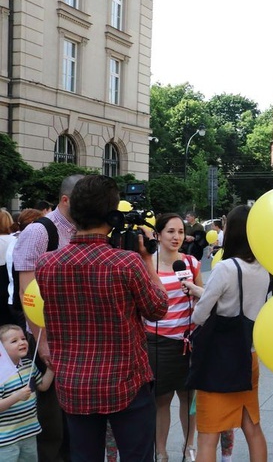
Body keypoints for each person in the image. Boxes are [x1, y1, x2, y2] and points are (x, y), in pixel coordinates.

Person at [35, 174, 168, 460]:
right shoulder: (126, 263)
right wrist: (147, 260)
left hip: (73, 384)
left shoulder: (47, 265)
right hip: (126, 383)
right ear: (112, 215)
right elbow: (158, 308)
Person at [182, 205, 269, 462]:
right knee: (252, 427)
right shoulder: (264, 268)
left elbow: (200, 315)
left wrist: (200, 298)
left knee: (208, 434)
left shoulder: (226, 267)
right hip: (247, 356)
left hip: (218, 360)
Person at [13, 173, 82, 462]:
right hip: (47, 336)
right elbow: (28, 293)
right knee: (51, 424)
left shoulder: (84, 229)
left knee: (74, 424)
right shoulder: (40, 232)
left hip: (76, 336)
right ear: (65, 200)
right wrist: (43, 346)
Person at [146, 213, 203, 462]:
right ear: (158, 235)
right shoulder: (147, 264)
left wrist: (196, 292)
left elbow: (204, 299)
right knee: (162, 400)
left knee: (188, 398)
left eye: (180, 231)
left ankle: (189, 445)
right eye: (170, 231)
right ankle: (160, 450)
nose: (176, 237)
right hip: (158, 342)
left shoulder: (190, 263)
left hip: (188, 340)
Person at [0, 324, 55, 461]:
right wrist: (17, 396)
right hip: (6, 439)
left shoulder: (29, 365)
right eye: (14, 341)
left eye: (23, 338)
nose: (22, 342)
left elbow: (42, 386)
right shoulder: (1, 374)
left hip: (29, 432)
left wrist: (52, 369)